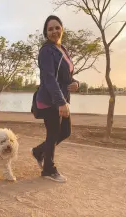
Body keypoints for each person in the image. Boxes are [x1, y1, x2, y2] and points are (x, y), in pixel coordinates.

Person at [31, 15, 79, 183]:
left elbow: (66, 76)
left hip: (61, 98)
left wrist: (76, 83)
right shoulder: (46, 51)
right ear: (46, 32)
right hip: (50, 99)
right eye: (50, 29)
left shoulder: (62, 49)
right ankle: (49, 170)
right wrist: (60, 102)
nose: (54, 31)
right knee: (53, 133)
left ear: (62, 29)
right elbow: (49, 78)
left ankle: (38, 151)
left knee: (65, 131)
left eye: (57, 27)